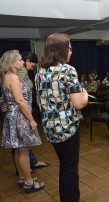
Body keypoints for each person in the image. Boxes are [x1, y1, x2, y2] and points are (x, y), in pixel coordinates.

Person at [35, 33, 88, 202]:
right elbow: (79, 103)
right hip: (67, 128)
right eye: (70, 47)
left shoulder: (40, 72)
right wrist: (85, 95)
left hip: (50, 128)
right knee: (70, 168)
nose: (71, 51)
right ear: (61, 49)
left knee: (65, 166)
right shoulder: (68, 70)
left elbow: (39, 101)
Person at [0, 50, 44, 193]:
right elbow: (20, 101)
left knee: (19, 150)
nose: (22, 62)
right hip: (20, 117)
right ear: (12, 63)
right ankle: (29, 183)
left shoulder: (7, 76)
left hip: (13, 116)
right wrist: (31, 120)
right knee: (24, 151)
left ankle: (22, 177)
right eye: (19, 60)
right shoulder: (12, 77)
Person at [15, 52, 49, 171]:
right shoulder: (22, 71)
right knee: (22, 144)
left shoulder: (20, 72)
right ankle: (24, 171)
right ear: (27, 61)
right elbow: (19, 96)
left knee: (22, 143)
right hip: (21, 111)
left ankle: (28, 165)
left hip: (21, 110)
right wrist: (30, 118)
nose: (32, 68)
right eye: (33, 65)